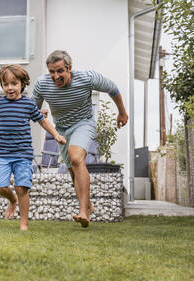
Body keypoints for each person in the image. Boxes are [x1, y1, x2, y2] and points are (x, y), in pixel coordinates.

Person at [32, 50, 128, 228]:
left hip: (83, 123)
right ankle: (88, 206)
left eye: (60, 71)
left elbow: (113, 88)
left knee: (76, 158)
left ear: (69, 68)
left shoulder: (87, 78)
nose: (56, 76)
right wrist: (39, 113)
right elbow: (34, 109)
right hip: (61, 130)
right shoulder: (42, 84)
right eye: (52, 71)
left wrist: (122, 112)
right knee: (73, 171)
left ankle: (83, 211)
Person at [0, 64, 66, 231]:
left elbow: (43, 121)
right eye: (6, 84)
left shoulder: (28, 104)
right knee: (0, 186)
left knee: (21, 187)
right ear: (2, 86)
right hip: (3, 153)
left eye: (14, 83)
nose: (10, 88)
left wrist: (56, 135)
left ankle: (23, 223)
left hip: (23, 153)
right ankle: (12, 200)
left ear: (22, 84)